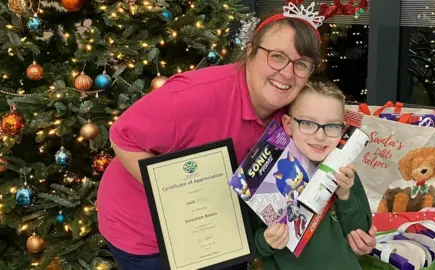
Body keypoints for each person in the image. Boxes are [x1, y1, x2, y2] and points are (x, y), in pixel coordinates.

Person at [96, 3, 377, 269]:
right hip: (148, 235)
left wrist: (359, 225)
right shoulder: (194, 96)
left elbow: (319, 163)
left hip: (227, 233)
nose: (287, 73)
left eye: (301, 64)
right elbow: (123, 137)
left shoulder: (295, 111)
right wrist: (183, 200)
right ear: (251, 51)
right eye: (276, 56)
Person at [251, 80, 372, 269]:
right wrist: (267, 241)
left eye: (332, 126)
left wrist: (345, 195)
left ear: (343, 128)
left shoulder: (344, 173)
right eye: (307, 123)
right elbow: (252, 242)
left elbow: (361, 232)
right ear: (288, 125)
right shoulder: (266, 176)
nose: (320, 136)